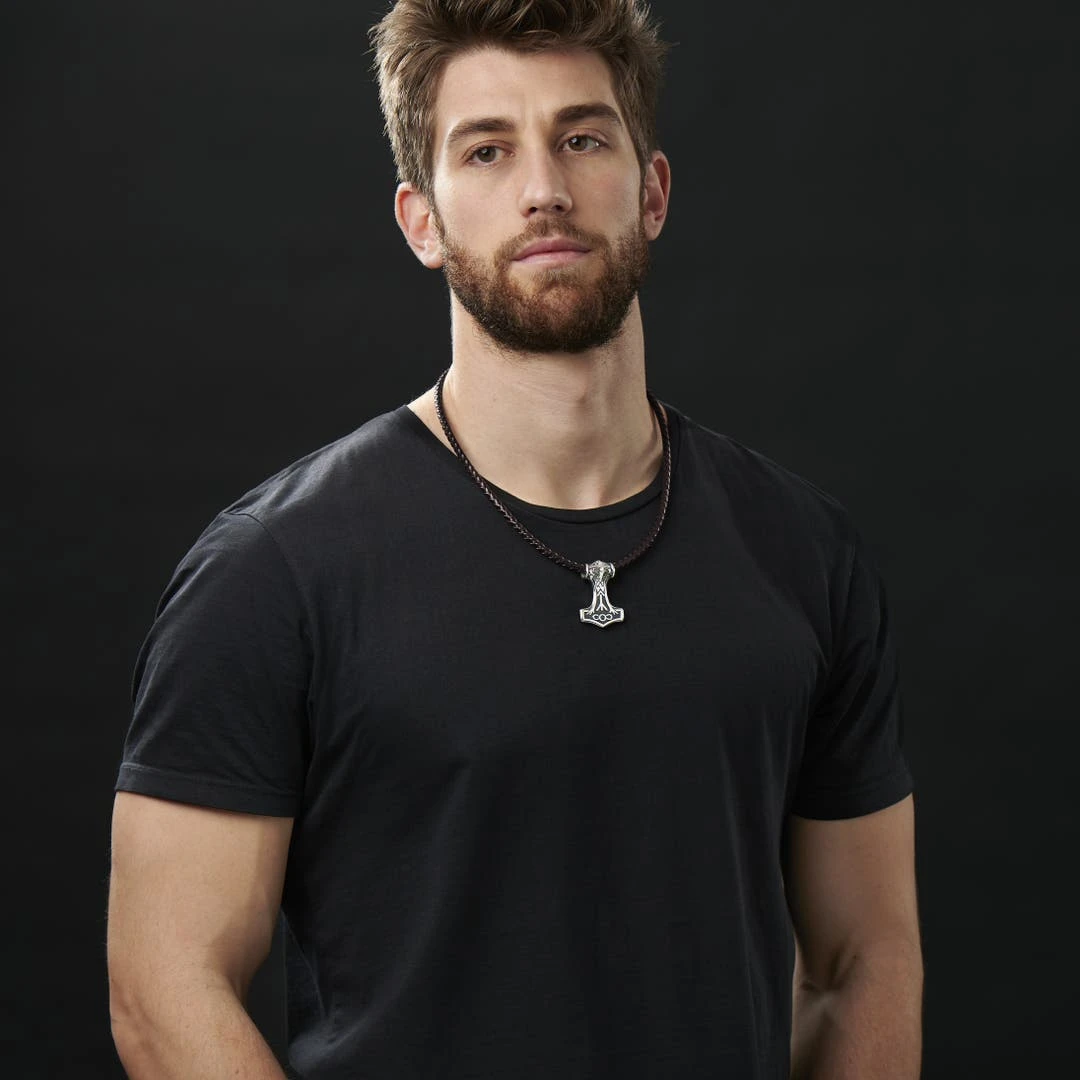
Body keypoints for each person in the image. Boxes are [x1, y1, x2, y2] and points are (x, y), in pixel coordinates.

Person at [107, 1, 923, 1077]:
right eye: (486, 151)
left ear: (653, 191)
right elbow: (162, 984)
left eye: (582, 138)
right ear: (422, 221)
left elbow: (867, 958)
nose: (545, 188)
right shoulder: (275, 570)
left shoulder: (801, 550)